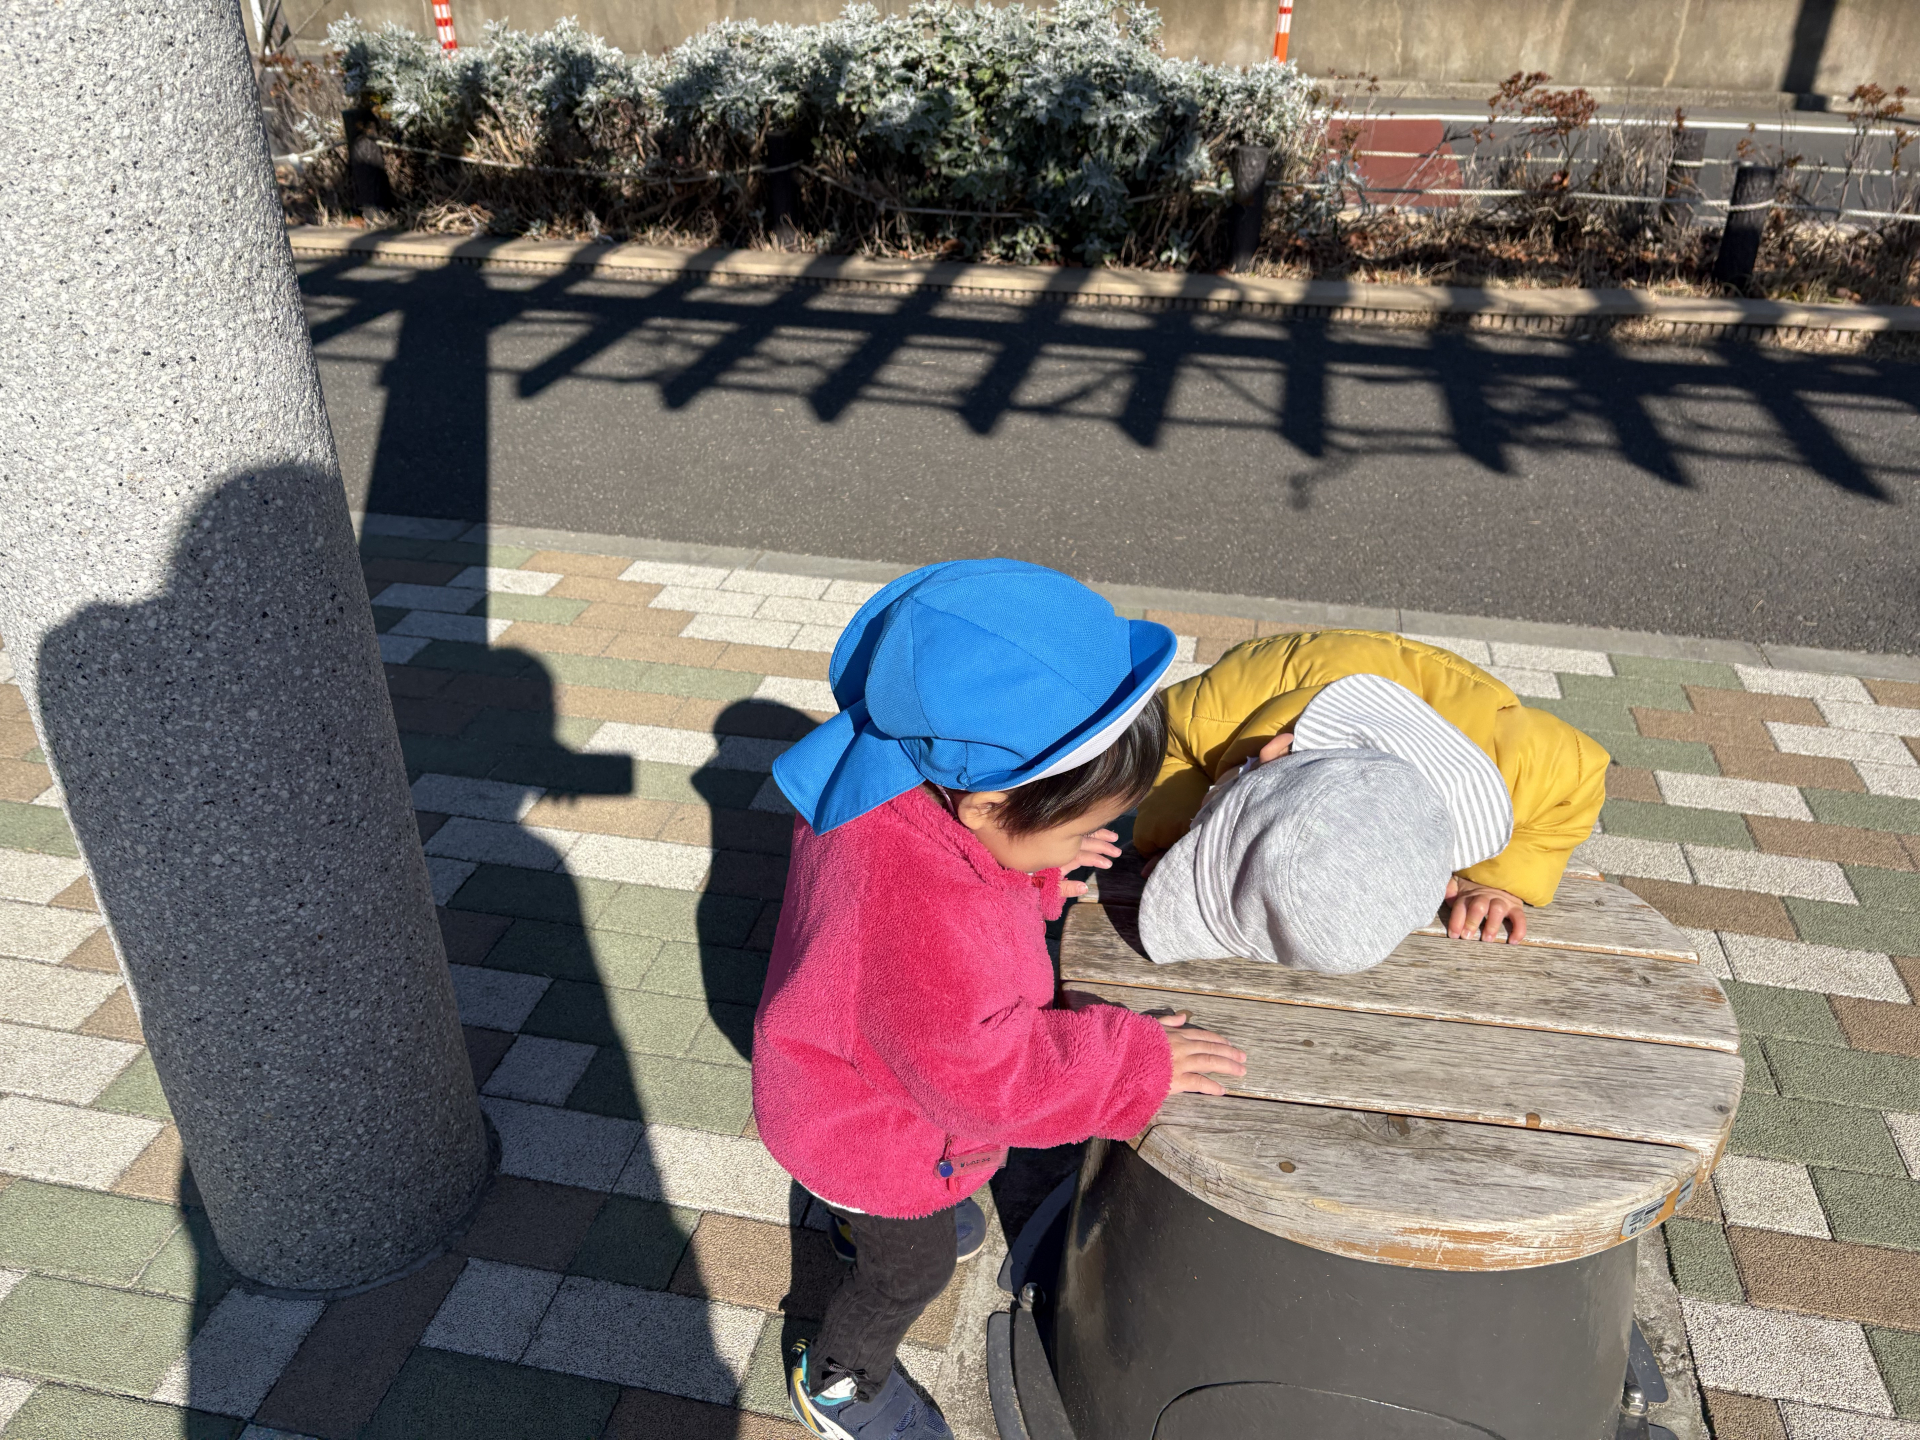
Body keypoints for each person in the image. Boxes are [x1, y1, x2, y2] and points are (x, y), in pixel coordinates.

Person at [756, 559, 1247, 1440]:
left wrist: (1042, 858)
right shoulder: (917, 916)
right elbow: (986, 1080)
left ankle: (863, 1229)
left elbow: (969, 879)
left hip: (842, 1070)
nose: (1084, 841)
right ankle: (840, 1383)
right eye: (1073, 826)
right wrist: (1132, 1061)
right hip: (868, 1132)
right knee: (909, 1273)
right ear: (987, 805)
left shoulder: (892, 775)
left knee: (906, 1236)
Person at [1132, 631, 1609, 970]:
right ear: (1272, 754)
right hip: (1281, 670)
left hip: (1452, 705)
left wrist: (1500, 881)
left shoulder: (1520, 767)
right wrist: (1187, 831)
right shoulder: (1208, 714)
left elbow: (1581, 779)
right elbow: (1158, 740)